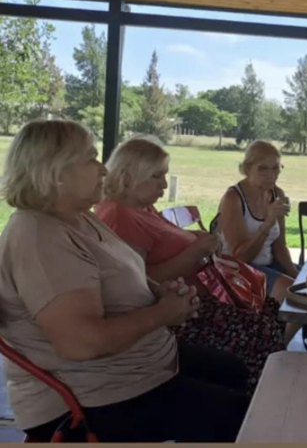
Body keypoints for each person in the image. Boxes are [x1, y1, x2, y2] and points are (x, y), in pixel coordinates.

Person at [0, 120, 250, 442]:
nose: (104, 169)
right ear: (56, 172)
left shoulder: (79, 218)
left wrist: (160, 293)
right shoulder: (40, 237)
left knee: (233, 371)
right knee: (250, 419)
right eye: (91, 159)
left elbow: (121, 275)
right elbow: (82, 342)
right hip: (92, 397)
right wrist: (162, 313)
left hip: (134, 368)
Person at [95, 136, 286, 390]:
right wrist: (196, 250)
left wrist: (195, 239)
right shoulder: (120, 216)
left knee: (272, 312)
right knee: (263, 330)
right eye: (156, 176)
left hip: (203, 294)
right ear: (128, 177)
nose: (165, 184)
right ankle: (256, 400)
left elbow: (161, 242)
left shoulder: (142, 207)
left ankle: (264, 394)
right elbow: (139, 283)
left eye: (165, 175)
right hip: (181, 314)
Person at [217, 140, 298, 304]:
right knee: (292, 293)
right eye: (263, 168)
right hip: (236, 270)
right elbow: (240, 257)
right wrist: (267, 224)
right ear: (247, 169)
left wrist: (297, 276)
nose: (271, 175)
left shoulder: (277, 194)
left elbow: (280, 248)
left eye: (276, 168)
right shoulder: (233, 199)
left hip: (268, 264)